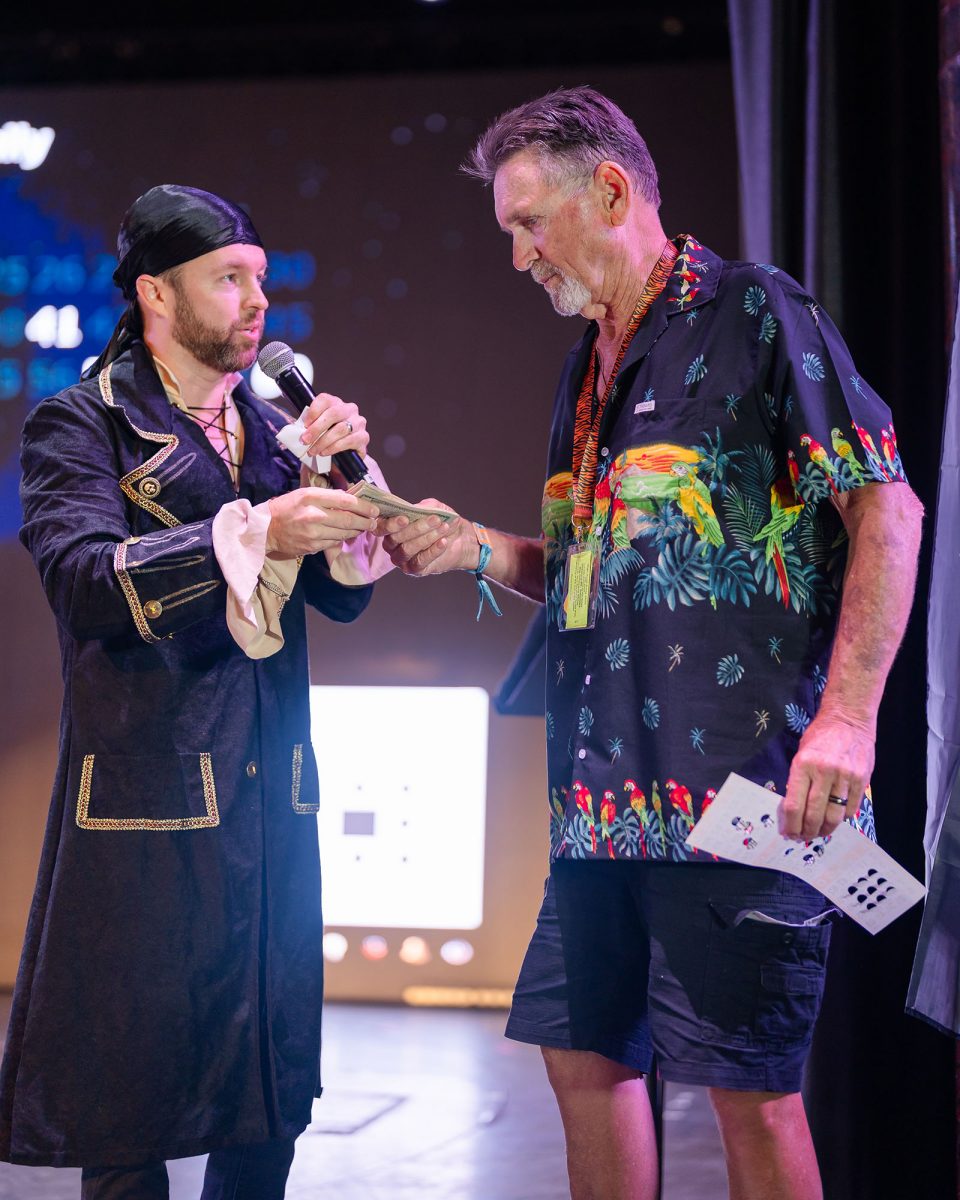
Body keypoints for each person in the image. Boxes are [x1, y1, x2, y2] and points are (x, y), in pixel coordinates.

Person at [381, 88, 924, 1200]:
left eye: (531, 223)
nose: (520, 256)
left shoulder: (754, 310)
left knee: (748, 1092)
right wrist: (473, 547)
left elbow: (888, 508)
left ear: (612, 190)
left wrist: (849, 720)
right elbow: (596, 572)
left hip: (748, 797)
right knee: (582, 1060)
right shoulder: (586, 368)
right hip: (601, 809)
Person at [0, 184, 395, 1199]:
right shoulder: (81, 424)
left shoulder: (274, 430)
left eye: (260, 277)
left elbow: (340, 603)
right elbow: (85, 583)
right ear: (156, 294)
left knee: (267, 1100)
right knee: (127, 1111)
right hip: (151, 805)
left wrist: (344, 497)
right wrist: (257, 529)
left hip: (271, 799)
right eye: (229, 278)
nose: (257, 300)